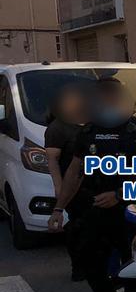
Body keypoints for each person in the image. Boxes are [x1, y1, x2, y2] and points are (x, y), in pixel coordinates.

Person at [50, 78, 136, 292]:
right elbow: (74, 173)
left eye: (113, 97)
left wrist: (118, 195)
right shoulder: (88, 132)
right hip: (97, 207)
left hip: (132, 207)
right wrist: (58, 208)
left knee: (133, 263)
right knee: (89, 260)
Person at [43, 83, 91, 281]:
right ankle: (78, 266)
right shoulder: (57, 128)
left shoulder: (93, 123)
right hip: (74, 188)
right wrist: (59, 187)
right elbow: (53, 160)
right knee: (78, 228)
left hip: (96, 185)